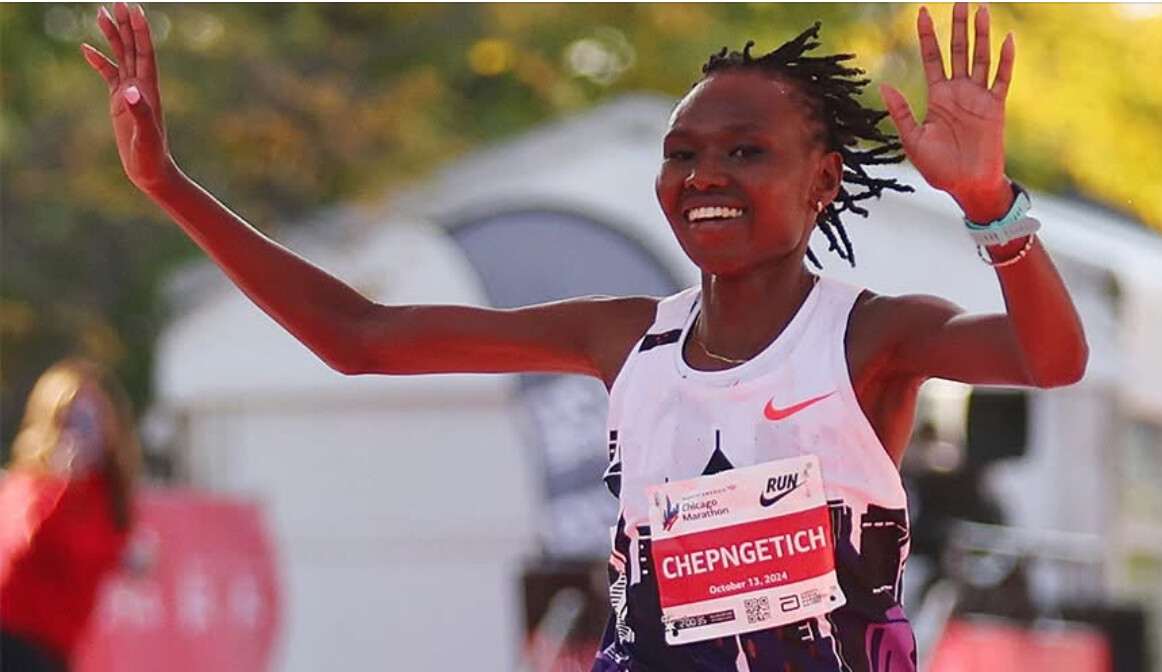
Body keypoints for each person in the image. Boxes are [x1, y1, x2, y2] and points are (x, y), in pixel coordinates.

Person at [82, 2, 1087, 670]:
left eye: (746, 151)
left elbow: (1052, 360)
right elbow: (359, 336)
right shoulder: (625, 337)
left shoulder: (870, 333)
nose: (705, 175)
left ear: (824, 179)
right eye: (682, 153)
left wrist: (988, 203)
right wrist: (167, 185)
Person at [1, 358, 142, 672]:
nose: (83, 430)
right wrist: (63, 483)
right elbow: (25, 544)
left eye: (93, 416)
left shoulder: (108, 492)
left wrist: (127, 554)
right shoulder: (32, 482)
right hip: (13, 637)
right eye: (73, 418)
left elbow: (101, 548)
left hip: (57, 646)